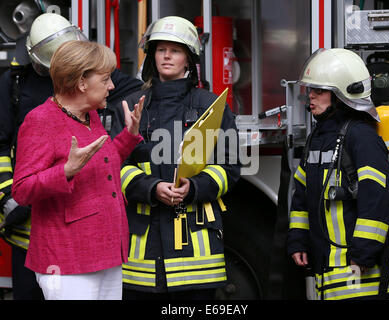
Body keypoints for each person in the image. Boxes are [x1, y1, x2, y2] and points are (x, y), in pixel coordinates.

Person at [0, 12, 143, 300]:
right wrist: (64, 171)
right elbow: (23, 189)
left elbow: (98, 164)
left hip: (105, 252)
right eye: (105, 79)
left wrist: (127, 137)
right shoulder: (40, 120)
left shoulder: (89, 115)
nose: (113, 86)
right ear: (81, 83)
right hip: (68, 259)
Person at [118, 16, 240, 299]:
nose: (167, 56)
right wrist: (151, 188)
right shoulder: (134, 106)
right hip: (141, 261)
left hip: (196, 259)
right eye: (161, 49)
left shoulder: (210, 105)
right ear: (152, 56)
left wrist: (194, 187)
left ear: (189, 59)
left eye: (175, 50)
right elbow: (116, 166)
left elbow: (230, 167)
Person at [287, 48, 389, 300]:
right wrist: (298, 240)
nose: (310, 97)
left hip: (359, 276)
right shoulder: (318, 138)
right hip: (328, 274)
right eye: (310, 90)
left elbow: (377, 199)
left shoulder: (362, 137)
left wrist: (364, 253)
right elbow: (302, 196)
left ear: (341, 96)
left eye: (319, 90)